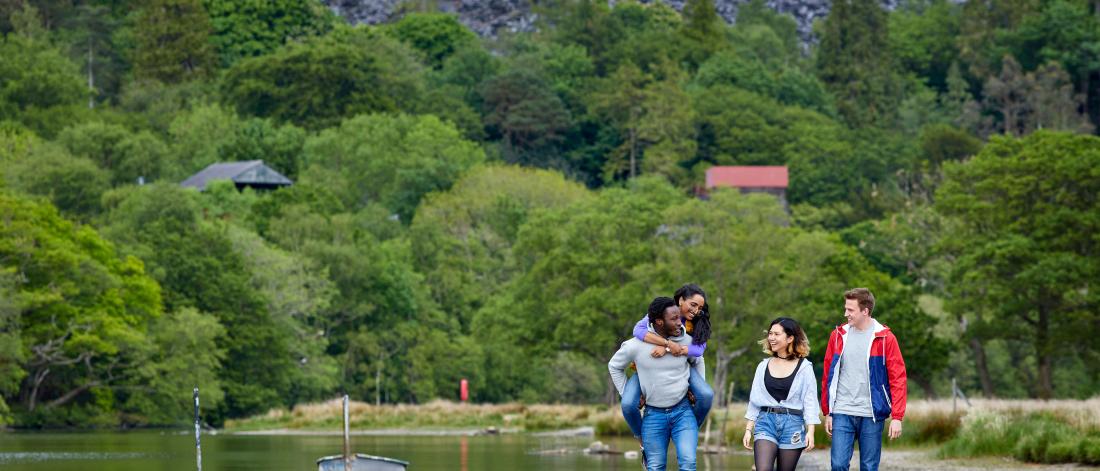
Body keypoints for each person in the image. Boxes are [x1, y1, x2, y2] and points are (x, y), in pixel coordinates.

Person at [609, 297, 703, 471]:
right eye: (673, 319)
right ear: (659, 321)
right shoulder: (634, 346)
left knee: (689, 463)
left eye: (679, 317)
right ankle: (643, 445)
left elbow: (698, 360)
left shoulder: (685, 340)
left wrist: (695, 388)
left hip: (683, 412)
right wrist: (627, 393)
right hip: (653, 416)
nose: (679, 323)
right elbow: (614, 366)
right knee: (656, 466)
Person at [821, 288, 908, 471]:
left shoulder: (885, 338)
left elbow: (898, 379)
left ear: (865, 311)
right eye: (846, 309)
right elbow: (828, 375)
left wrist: (897, 417)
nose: (846, 314)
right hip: (842, 410)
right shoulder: (837, 336)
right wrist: (828, 411)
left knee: (869, 467)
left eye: (850, 310)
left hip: (872, 413)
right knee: (838, 465)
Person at [620, 284, 714, 451]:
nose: (696, 310)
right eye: (693, 305)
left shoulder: (697, 322)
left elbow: (698, 351)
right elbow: (638, 330)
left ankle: (688, 430)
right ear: (680, 300)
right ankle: (642, 438)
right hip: (649, 368)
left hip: (683, 366)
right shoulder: (663, 311)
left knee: (706, 395)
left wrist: (668, 350)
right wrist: (667, 343)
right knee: (627, 404)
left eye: (700, 307)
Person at [742, 317, 820, 471]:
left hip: (793, 425)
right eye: (770, 333)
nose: (771, 337)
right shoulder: (763, 366)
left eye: (776, 334)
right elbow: (754, 401)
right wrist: (748, 429)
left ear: (790, 338)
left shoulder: (805, 367)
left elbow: (810, 401)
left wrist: (810, 431)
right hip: (765, 422)